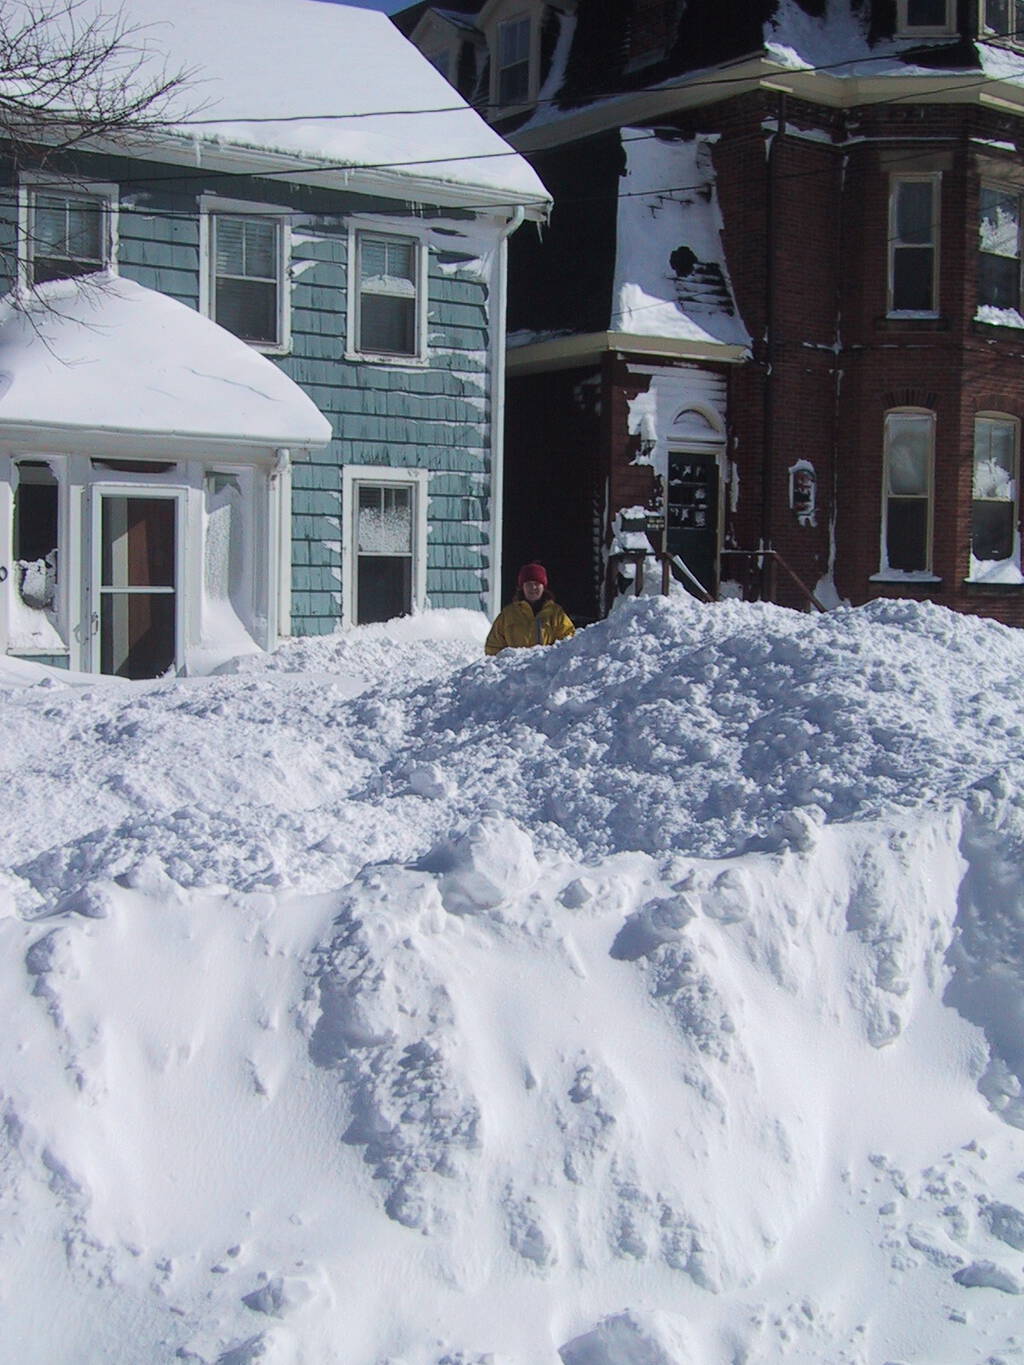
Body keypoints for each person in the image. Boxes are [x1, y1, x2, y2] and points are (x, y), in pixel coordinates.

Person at [485, 562, 575, 656]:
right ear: (522, 587)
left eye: (537, 583)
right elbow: (493, 647)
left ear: (543, 587)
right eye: (528, 584)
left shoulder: (556, 614)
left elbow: (568, 642)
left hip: (546, 668)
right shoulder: (508, 614)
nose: (533, 587)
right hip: (515, 669)